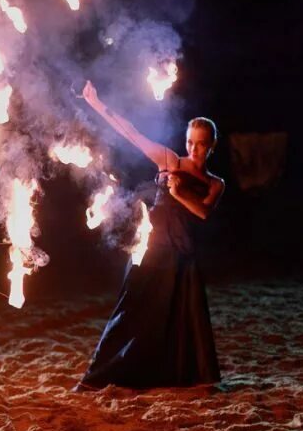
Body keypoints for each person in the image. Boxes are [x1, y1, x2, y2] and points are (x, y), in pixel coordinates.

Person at [74, 80, 225, 391]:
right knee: (131, 310)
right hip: (152, 248)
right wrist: (97, 103)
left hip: (182, 253)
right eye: (190, 142)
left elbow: (204, 213)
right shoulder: (169, 160)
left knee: (177, 318)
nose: (193, 149)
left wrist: (178, 192)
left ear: (212, 146)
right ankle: (102, 377)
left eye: (201, 144)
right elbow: (131, 133)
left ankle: (171, 377)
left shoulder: (215, 183)